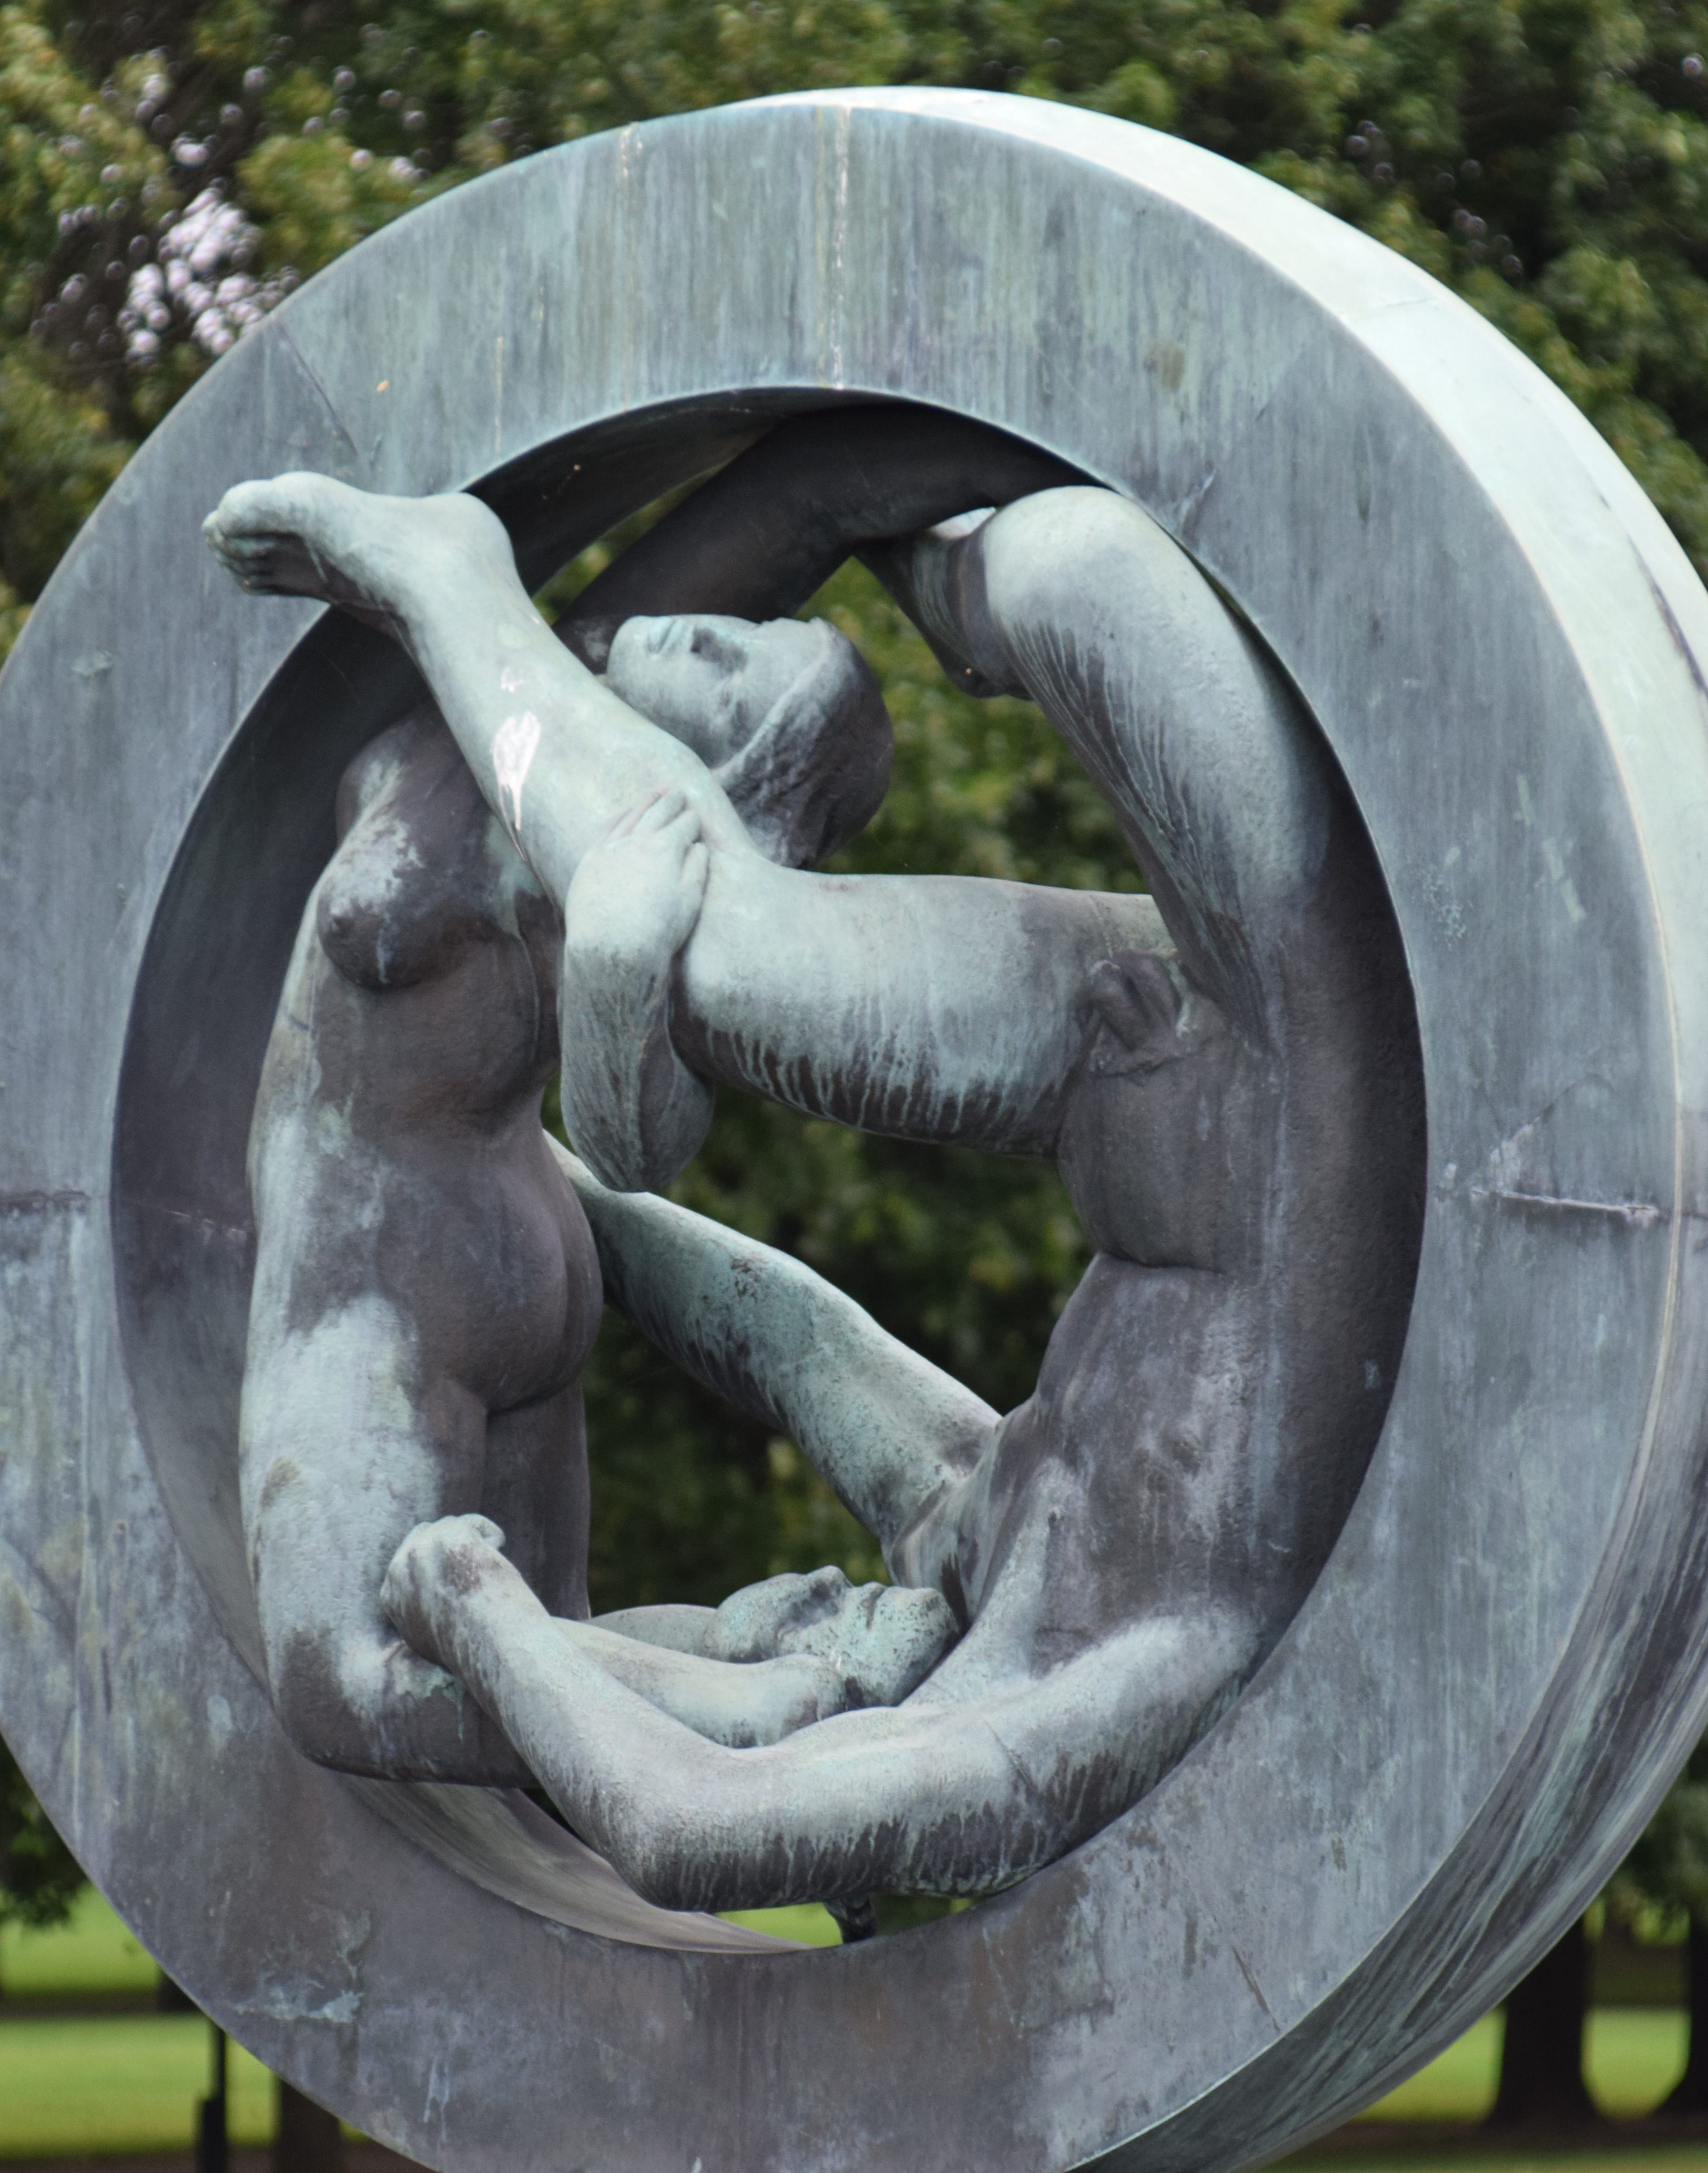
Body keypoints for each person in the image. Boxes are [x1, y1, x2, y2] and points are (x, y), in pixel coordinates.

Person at [205, 469, 1422, 1912]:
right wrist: (485, 1603)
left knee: (733, 940)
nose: (863, 1620)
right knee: (737, 932)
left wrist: (551, 1619)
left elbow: (699, 1815)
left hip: (1172, 1086)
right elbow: (696, 1817)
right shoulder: (1084, 1644)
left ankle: (888, 564)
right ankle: (472, 576)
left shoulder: (1032, 1628)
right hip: (1277, 1089)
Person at [232, 585, 960, 1787]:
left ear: (714, 766)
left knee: (343, 1680)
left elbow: (634, 1140)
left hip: (388, 1270)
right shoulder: (559, 730)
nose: (709, 626)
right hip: (516, 1232)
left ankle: (773, 1713)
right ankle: (768, 1645)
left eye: (732, 670)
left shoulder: (597, 823)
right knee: (548, 1635)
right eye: (752, 625)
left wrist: (619, 959)